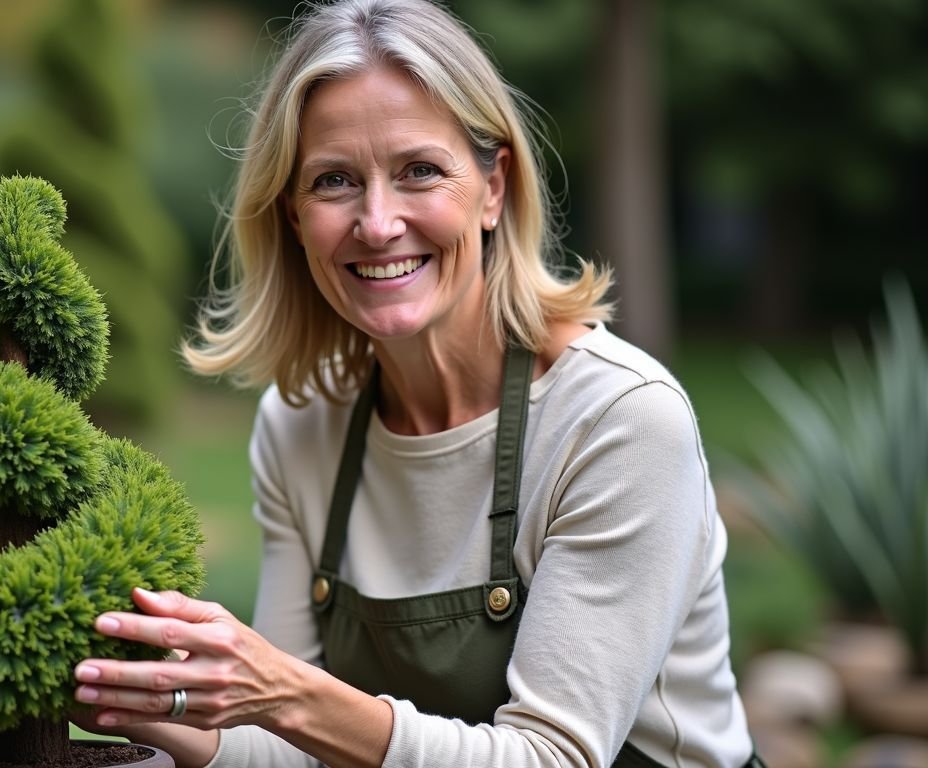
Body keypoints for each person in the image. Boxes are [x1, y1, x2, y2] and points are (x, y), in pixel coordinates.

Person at [72, 1, 760, 765]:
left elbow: (552, 758)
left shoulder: (619, 422)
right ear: (295, 217)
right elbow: (291, 751)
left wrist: (284, 691)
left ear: (494, 188)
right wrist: (143, 700)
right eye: (334, 180)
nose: (376, 222)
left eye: (419, 171)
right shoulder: (301, 425)